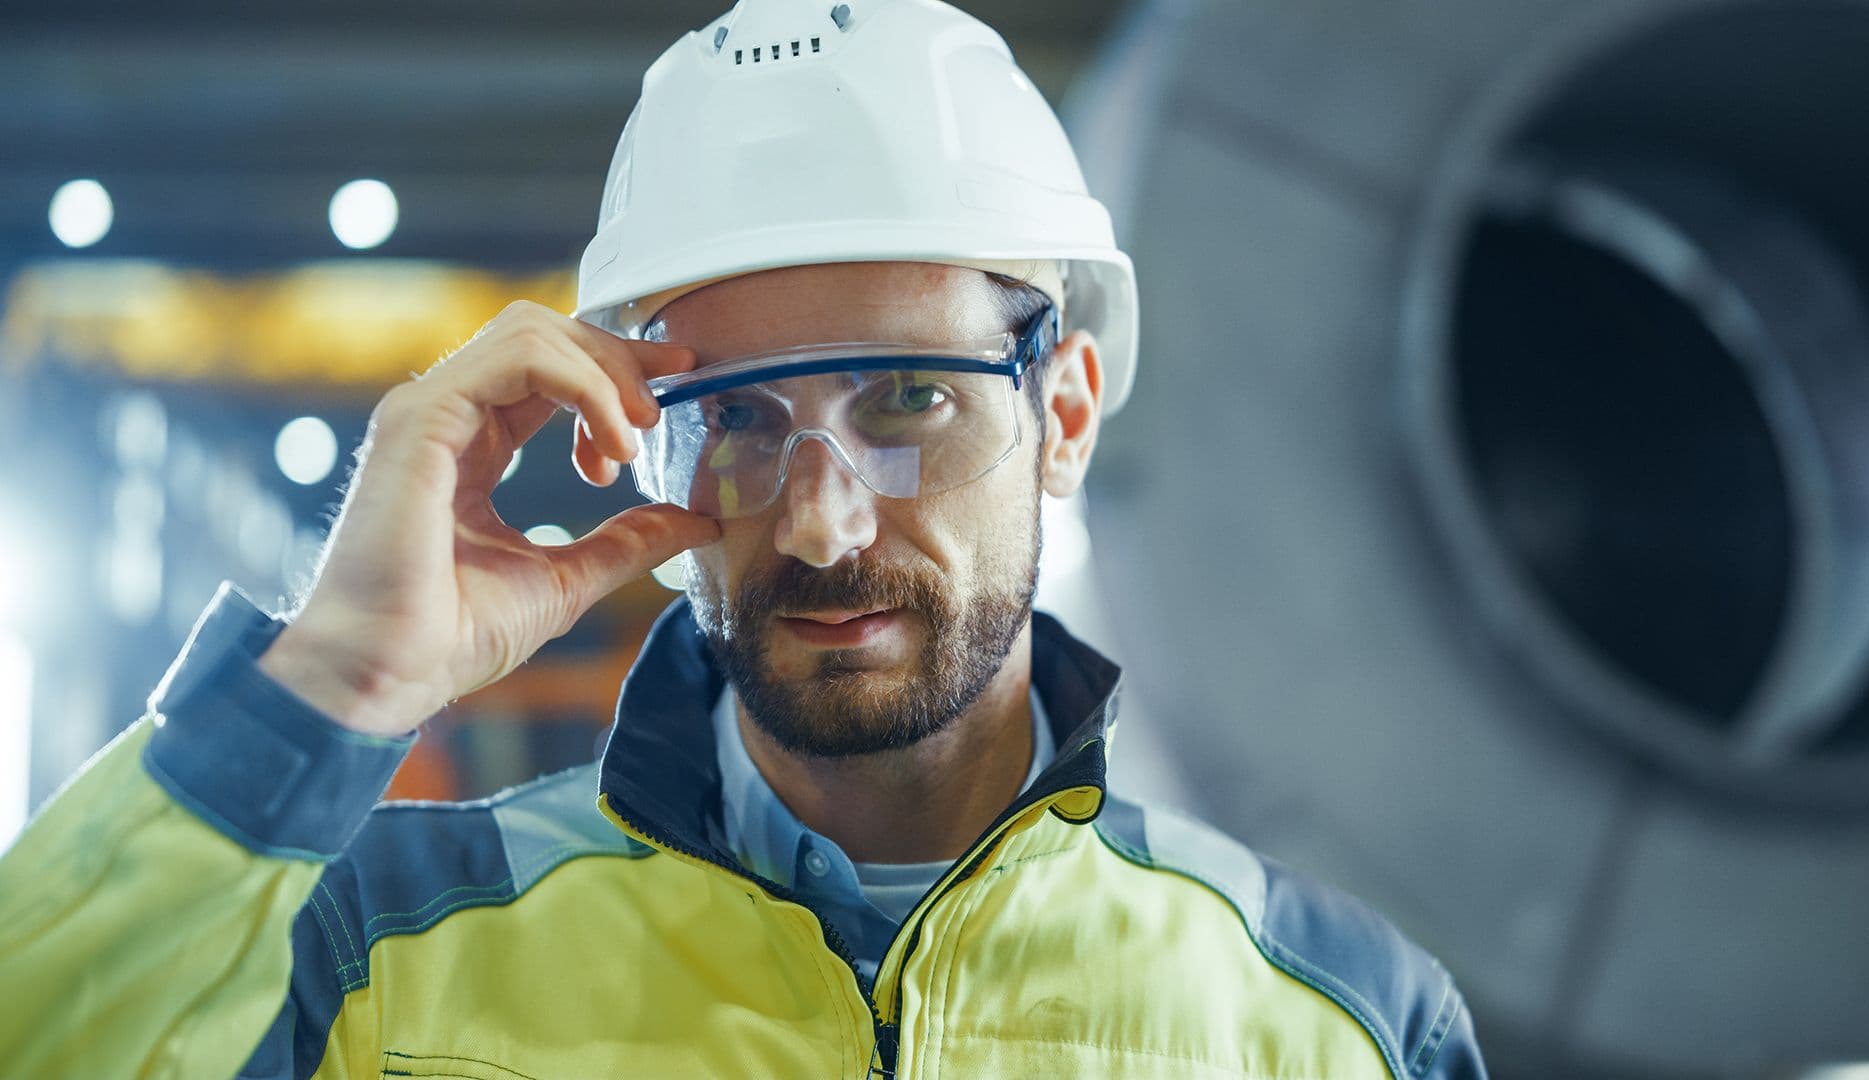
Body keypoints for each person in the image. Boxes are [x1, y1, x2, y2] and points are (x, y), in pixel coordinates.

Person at [0, 1, 1485, 1076]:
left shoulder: (1336, 1022)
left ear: (1068, 414)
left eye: (910, 398)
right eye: (738, 417)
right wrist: (330, 679)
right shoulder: (376, 952)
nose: (822, 525)